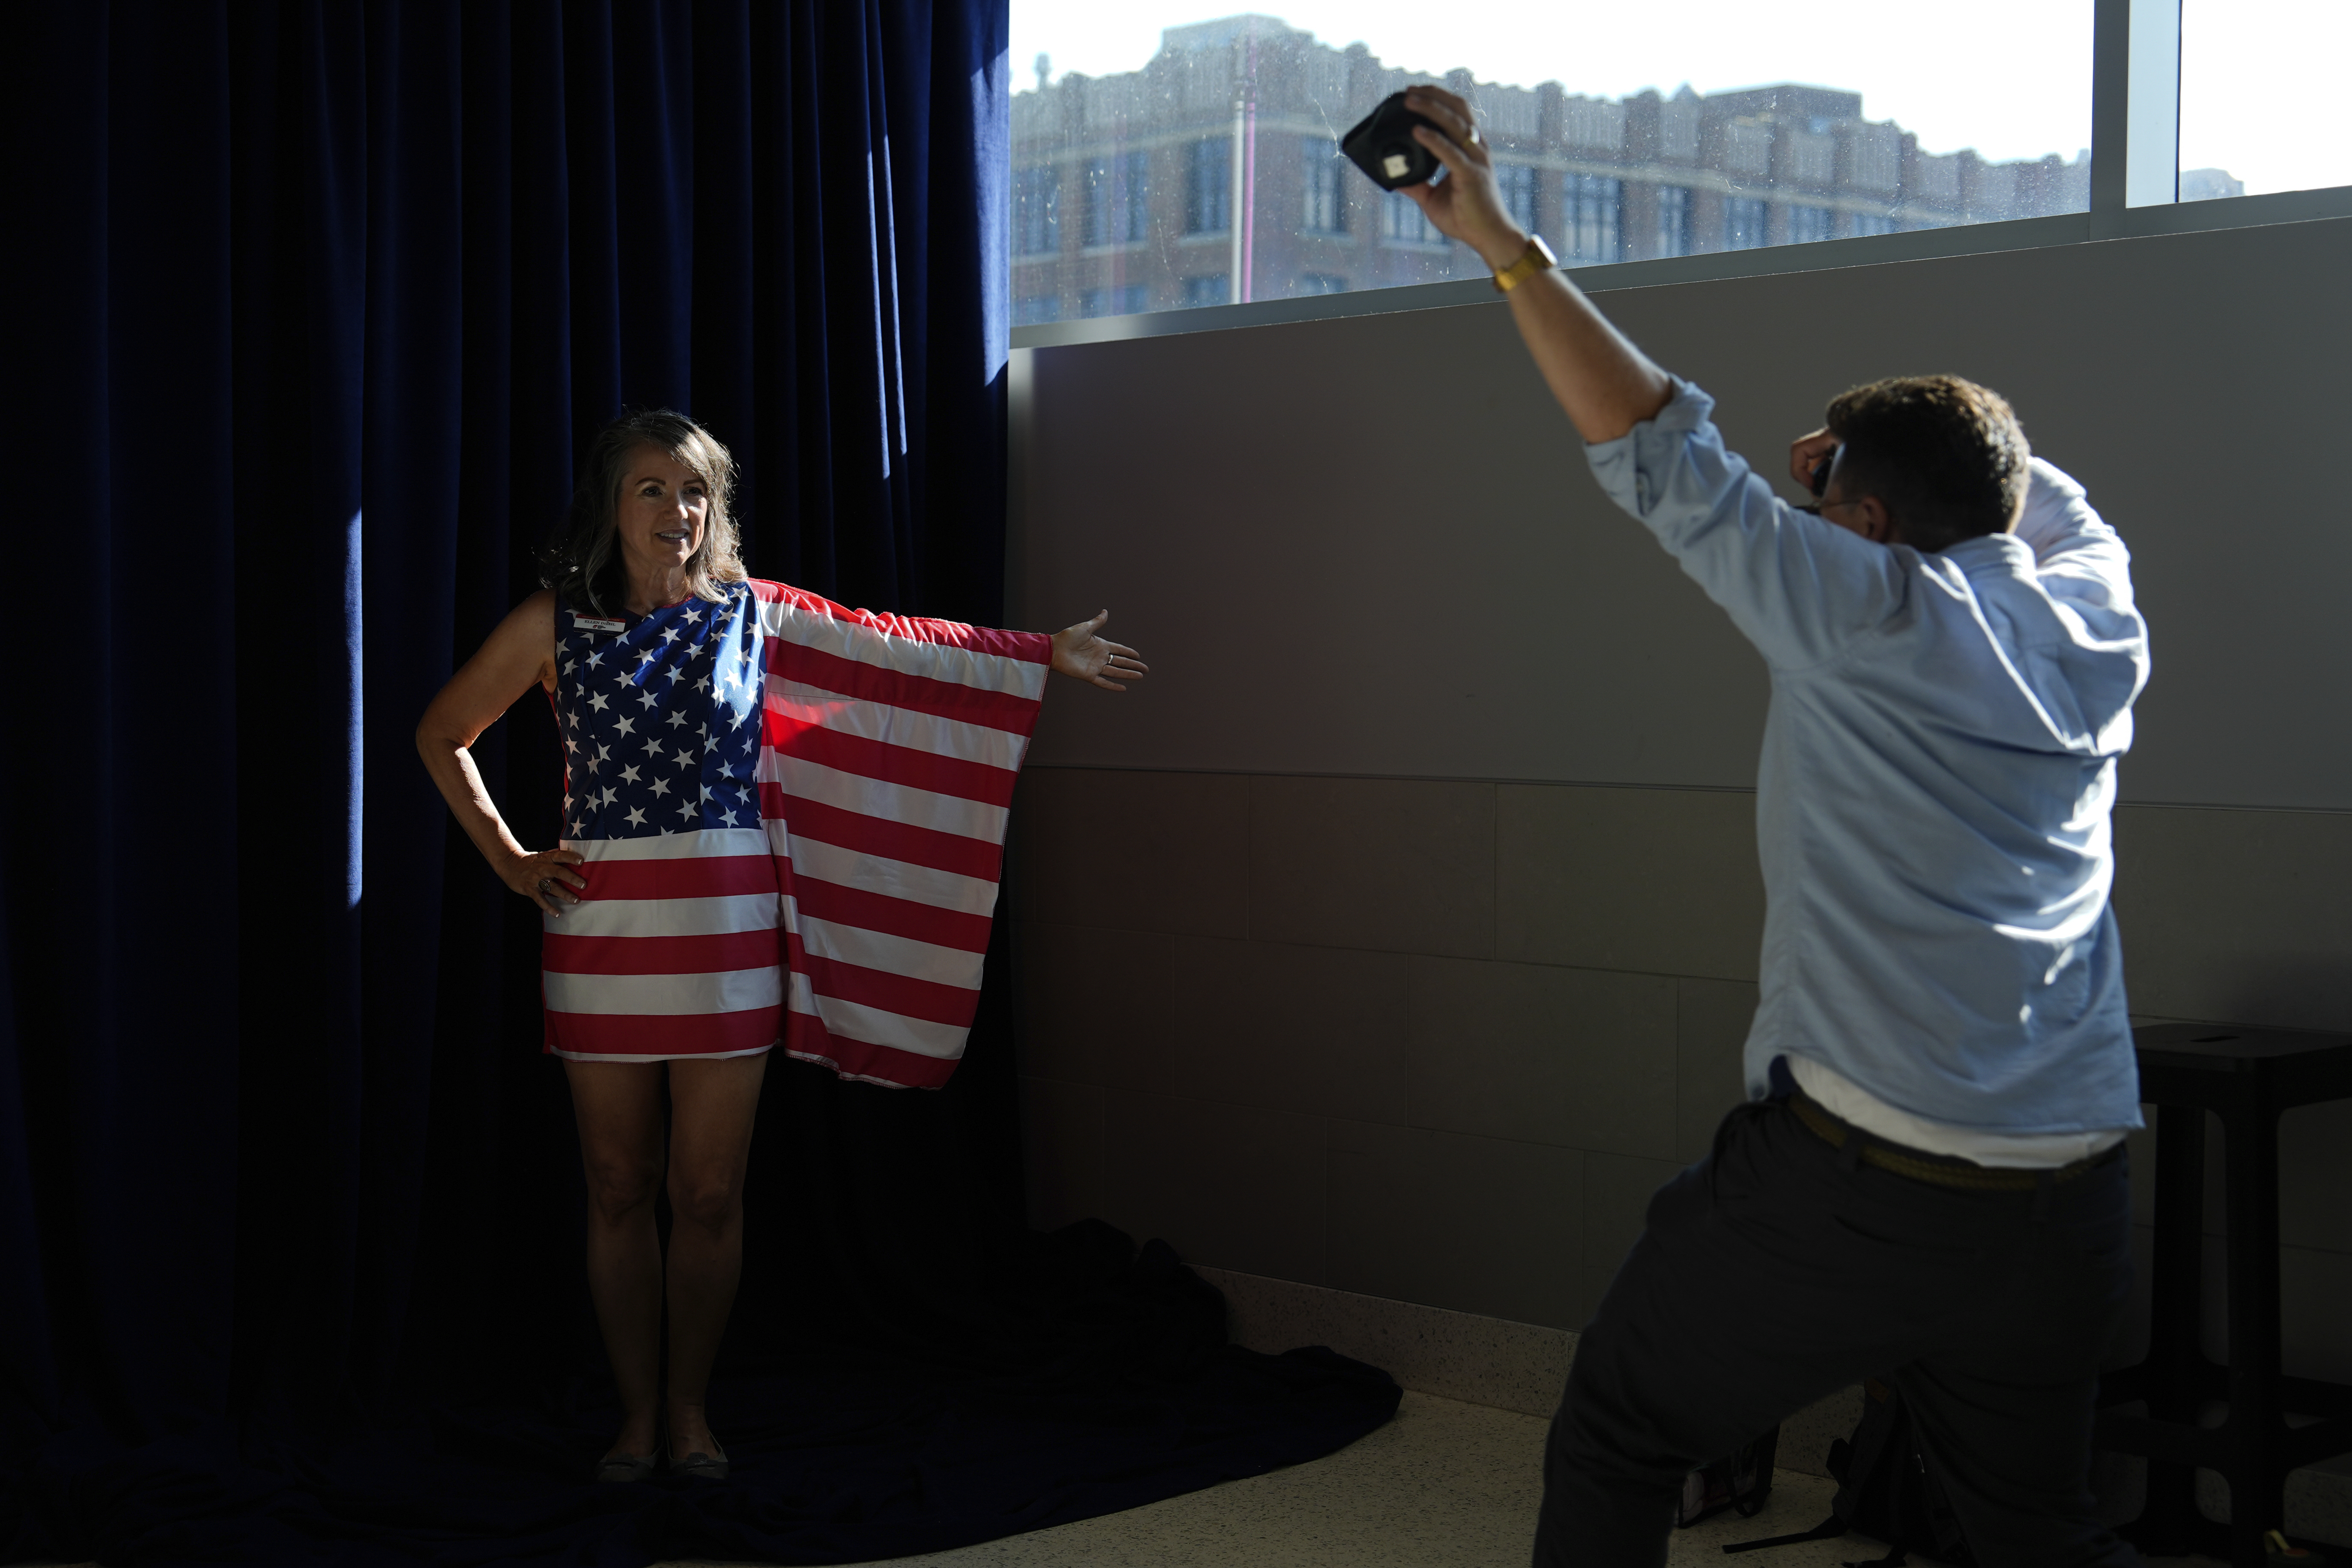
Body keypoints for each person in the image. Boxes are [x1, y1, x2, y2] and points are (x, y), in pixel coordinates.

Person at [1390, 86, 2150, 1566]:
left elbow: (1660, 450)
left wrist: (1492, 234)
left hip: (1860, 1180)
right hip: (2069, 1185)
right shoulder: (2096, 619)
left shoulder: (1858, 605)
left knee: (1618, 1420)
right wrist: (1900, 465)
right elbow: (2039, 499)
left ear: (1857, 520)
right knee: (2027, 1525)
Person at [416, 410, 1145, 1484]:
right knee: (619, 1182)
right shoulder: (553, 623)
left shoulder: (753, 616)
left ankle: (689, 1411)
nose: (677, 511)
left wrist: (1041, 652)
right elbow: (443, 732)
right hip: (599, 939)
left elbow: (901, 645)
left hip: (726, 938)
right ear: (611, 507)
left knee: (708, 1193)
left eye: (695, 491)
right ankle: (632, 1419)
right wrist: (514, 859)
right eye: (652, 489)